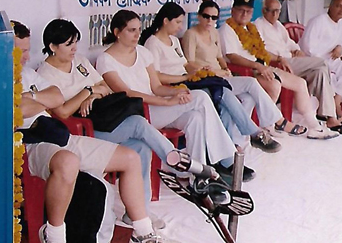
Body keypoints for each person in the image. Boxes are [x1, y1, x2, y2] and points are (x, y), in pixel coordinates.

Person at [36, 18, 218, 229]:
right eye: (69, 44)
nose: (74, 48)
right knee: (138, 124)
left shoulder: (80, 62)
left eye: (75, 42)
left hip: (104, 120)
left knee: (141, 148)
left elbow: (104, 86)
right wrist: (88, 91)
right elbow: (62, 111)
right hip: (82, 133)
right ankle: (178, 161)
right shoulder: (45, 74)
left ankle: (137, 213)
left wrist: (92, 96)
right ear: (52, 46)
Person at [12, 21, 162, 243]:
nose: (26, 56)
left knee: (130, 158)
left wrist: (31, 97)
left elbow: (56, 97)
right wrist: (35, 101)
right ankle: (53, 235)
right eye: (21, 51)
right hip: (30, 141)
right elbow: (23, 110)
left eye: (27, 50)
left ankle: (143, 231)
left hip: (58, 135)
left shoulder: (28, 74)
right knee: (69, 161)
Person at [95, 10, 254, 182]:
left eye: (139, 29)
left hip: (156, 107)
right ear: (117, 32)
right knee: (200, 97)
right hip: (137, 113)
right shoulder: (105, 59)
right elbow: (127, 93)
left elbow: (156, 87)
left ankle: (198, 176)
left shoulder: (142, 52)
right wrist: (167, 102)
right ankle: (227, 160)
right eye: (131, 30)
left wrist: (176, 92)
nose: (137, 34)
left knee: (195, 118)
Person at [139, 1, 282, 155]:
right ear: (166, 21)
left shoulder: (173, 40)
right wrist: (185, 76)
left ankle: (233, 145)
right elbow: (157, 77)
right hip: (175, 86)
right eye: (178, 22)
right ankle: (250, 135)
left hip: (189, 80)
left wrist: (200, 71)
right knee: (221, 92)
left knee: (225, 92)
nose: (180, 27)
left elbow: (186, 64)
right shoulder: (152, 43)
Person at [219, 0, 337, 140]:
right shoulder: (227, 29)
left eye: (248, 11)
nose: (244, 14)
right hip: (245, 71)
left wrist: (279, 58)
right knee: (274, 85)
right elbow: (232, 56)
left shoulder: (250, 28)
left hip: (263, 67)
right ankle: (269, 125)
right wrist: (257, 66)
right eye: (240, 10)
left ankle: (314, 127)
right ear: (232, 11)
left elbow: (261, 52)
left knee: (300, 83)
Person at [254, 0, 342, 135]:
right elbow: (260, 51)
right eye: (272, 11)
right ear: (264, 11)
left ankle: (330, 118)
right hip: (279, 63)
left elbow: (289, 42)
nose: (275, 14)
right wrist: (280, 57)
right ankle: (324, 111)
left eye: (278, 11)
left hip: (292, 60)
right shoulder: (258, 26)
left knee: (320, 71)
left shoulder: (278, 26)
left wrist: (296, 50)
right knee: (323, 63)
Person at [300, 0, 342, 123]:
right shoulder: (318, 21)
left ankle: (336, 103)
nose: (341, 10)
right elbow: (307, 46)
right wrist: (322, 59)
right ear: (330, 7)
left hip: (332, 59)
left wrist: (339, 47)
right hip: (314, 60)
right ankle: (329, 110)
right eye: (338, 6)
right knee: (330, 75)